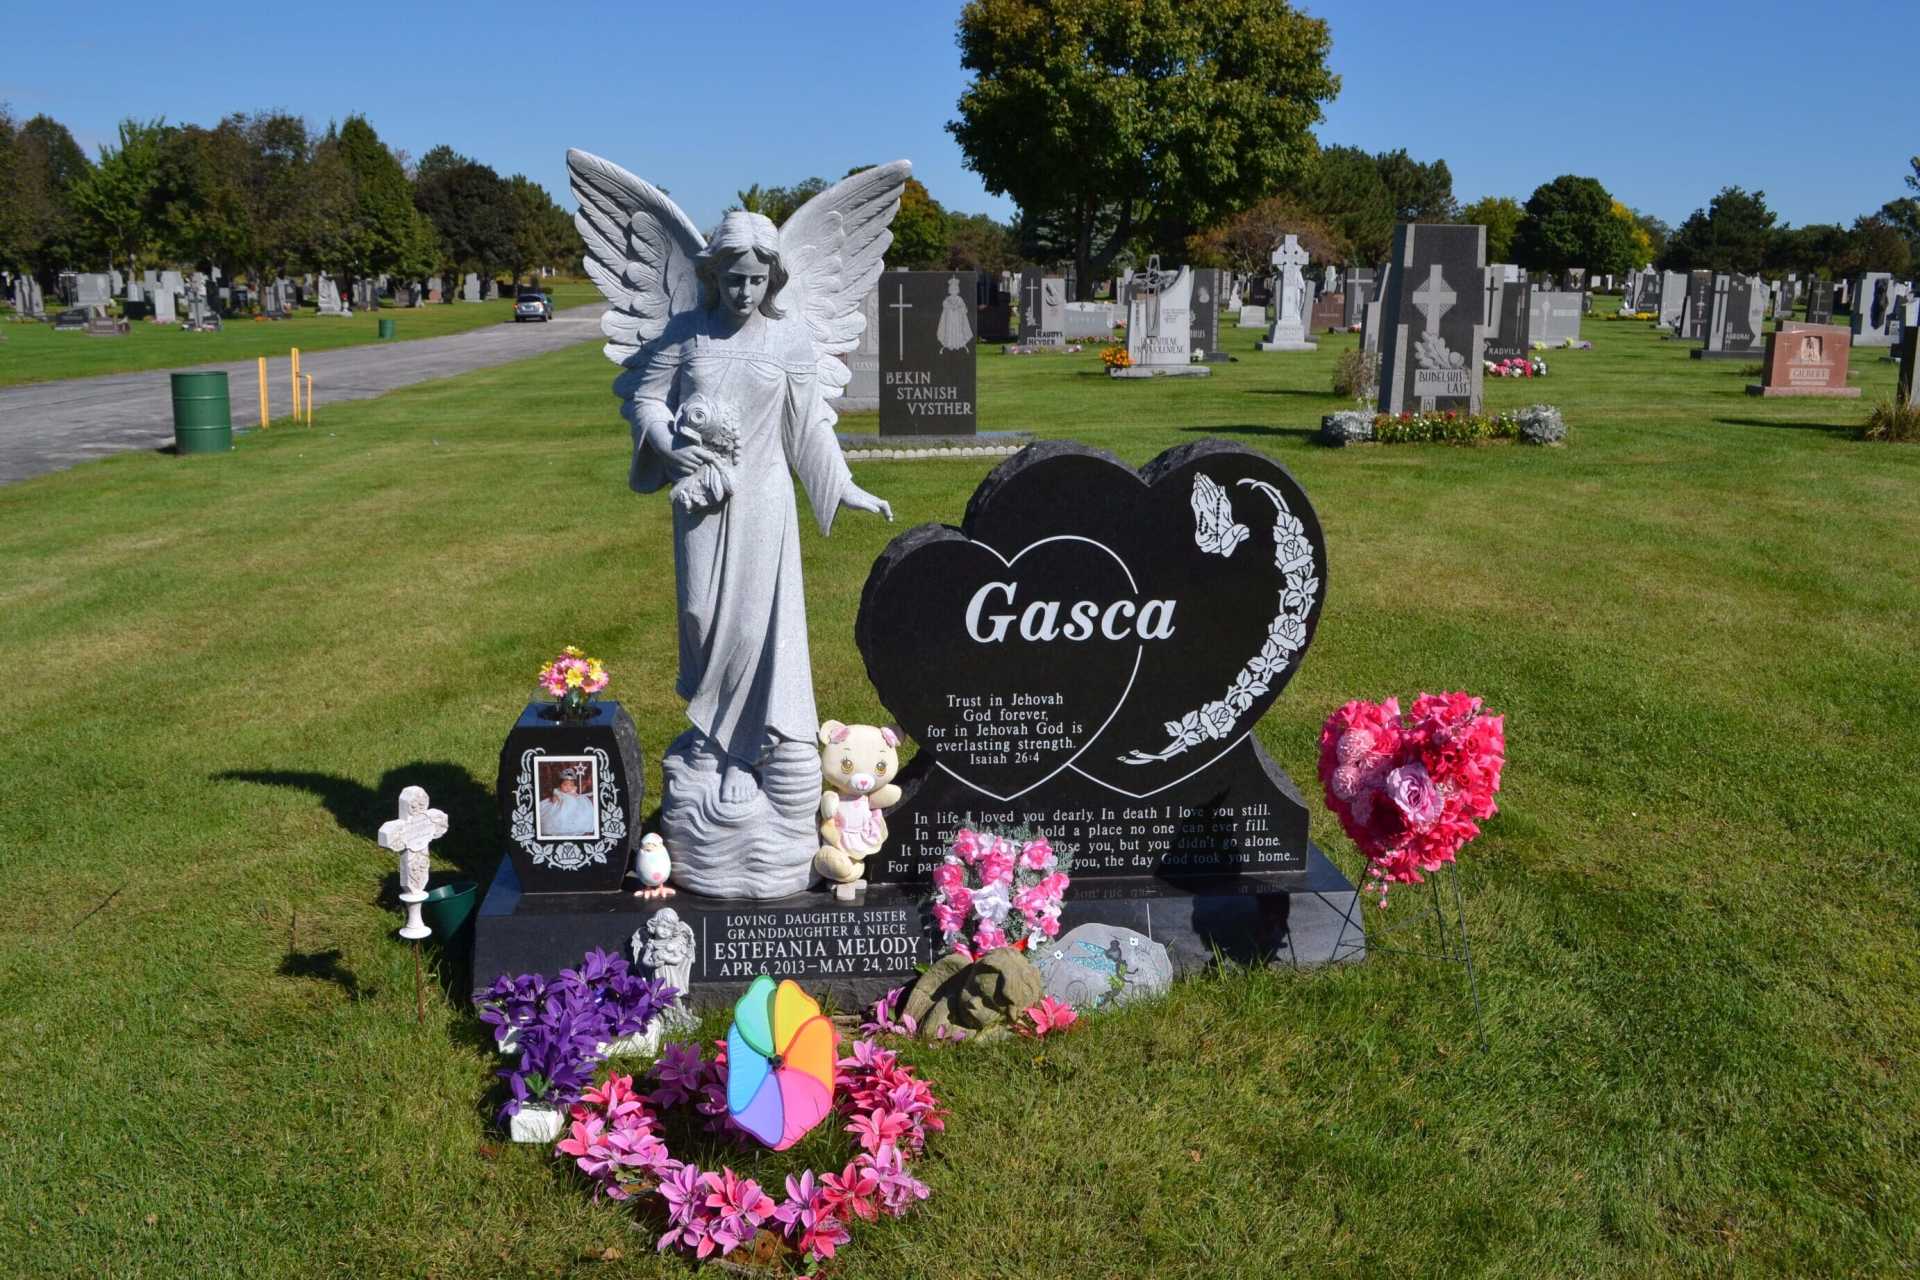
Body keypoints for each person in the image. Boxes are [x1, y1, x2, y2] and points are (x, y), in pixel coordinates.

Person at [538, 763, 596, 837]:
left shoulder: (573, 789)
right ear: (560, 785)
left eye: (571, 785)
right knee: (558, 814)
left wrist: (575, 796)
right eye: (565, 785)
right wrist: (555, 798)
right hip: (560, 805)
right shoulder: (558, 791)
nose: (568, 787)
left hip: (572, 804)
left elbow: (576, 796)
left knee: (578, 811)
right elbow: (554, 797)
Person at [936, 274, 973, 352]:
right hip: (949, 318)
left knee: (958, 329)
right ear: (949, 290)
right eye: (952, 289)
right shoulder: (947, 299)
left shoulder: (959, 299)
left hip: (957, 318)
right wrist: (949, 306)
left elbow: (964, 309)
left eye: (955, 289)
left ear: (957, 290)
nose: (953, 291)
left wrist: (959, 308)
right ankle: (948, 343)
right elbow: (944, 306)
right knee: (949, 329)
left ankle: (959, 343)